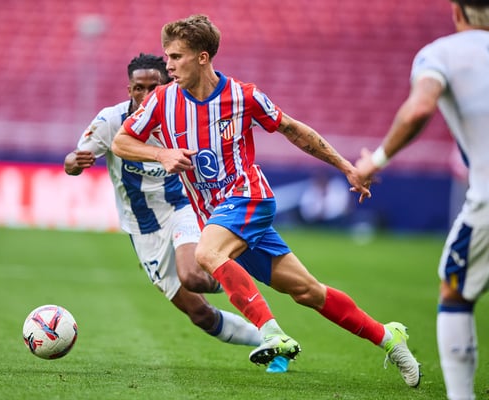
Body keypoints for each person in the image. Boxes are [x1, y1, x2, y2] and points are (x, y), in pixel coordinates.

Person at [112, 15, 420, 387]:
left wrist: (346, 167)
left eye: (176, 57)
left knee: (207, 253)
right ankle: (389, 337)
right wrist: (160, 154)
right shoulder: (163, 100)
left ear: (203, 57)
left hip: (249, 196)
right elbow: (121, 142)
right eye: (168, 57)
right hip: (218, 215)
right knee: (307, 291)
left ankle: (271, 333)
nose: (169, 65)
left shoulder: (243, 96)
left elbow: (293, 130)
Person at [64, 53, 289, 373]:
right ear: (129, 89)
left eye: (152, 87)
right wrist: (75, 162)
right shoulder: (110, 122)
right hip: (142, 227)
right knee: (200, 315)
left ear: (166, 85)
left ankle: (233, 274)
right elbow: (72, 161)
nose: (145, 95)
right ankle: (271, 341)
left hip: (183, 208)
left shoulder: (179, 115)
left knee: (192, 275)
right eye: (138, 88)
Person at [355, 1, 489, 398]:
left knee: (455, 290)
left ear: (457, 11)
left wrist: (375, 161)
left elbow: (419, 109)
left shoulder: (441, 53)